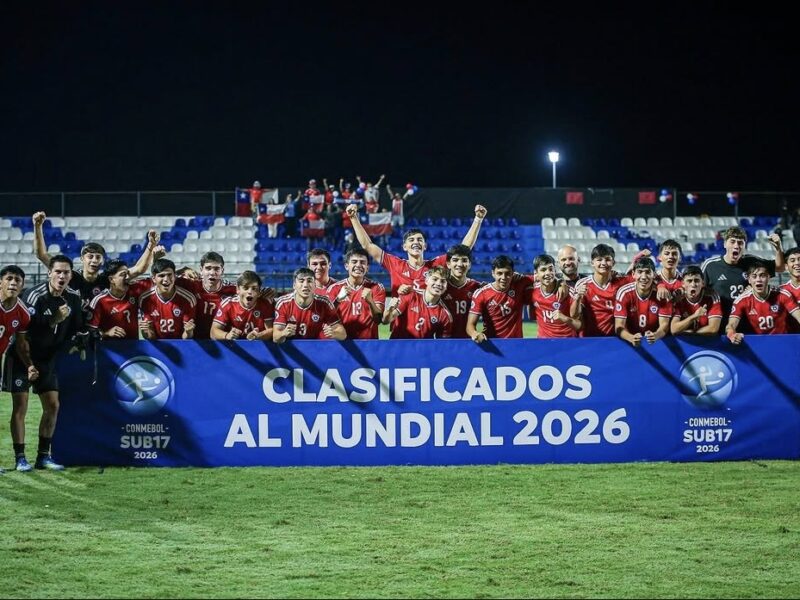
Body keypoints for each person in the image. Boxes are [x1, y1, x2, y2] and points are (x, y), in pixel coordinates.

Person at [4, 255, 84, 471]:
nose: (62, 276)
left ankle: (43, 457)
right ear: (49, 272)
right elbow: (24, 333)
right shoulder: (34, 296)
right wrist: (53, 320)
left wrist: (82, 339)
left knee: (52, 405)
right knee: (20, 407)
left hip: (48, 359)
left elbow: (78, 327)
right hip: (22, 357)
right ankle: (20, 458)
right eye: (57, 271)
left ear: (70, 275)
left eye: (66, 272)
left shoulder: (74, 298)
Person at [347, 203, 487, 296]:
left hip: (427, 331)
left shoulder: (435, 265)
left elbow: (463, 249)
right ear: (404, 247)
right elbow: (368, 245)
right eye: (411, 240)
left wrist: (478, 220)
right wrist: (354, 219)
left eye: (420, 240)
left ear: (425, 246)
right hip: (400, 331)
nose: (416, 242)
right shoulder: (395, 264)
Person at [32, 211, 159, 309]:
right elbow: (41, 254)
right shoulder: (70, 275)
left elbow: (139, 269)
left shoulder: (108, 279)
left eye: (98, 257)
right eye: (90, 256)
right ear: (82, 259)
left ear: (103, 261)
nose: (94, 260)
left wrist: (150, 246)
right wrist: (38, 226)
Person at [701, 226, 785, 329]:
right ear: (724, 244)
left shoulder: (751, 261)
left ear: (745, 246)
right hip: (720, 322)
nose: (736, 246)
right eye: (732, 242)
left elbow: (780, 267)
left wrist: (778, 248)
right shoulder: (710, 265)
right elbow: (699, 292)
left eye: (740, 243)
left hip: (749, 322)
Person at [0, 266, 37, 473]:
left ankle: (20, 458)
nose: (13, 283)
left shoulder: (22, 313)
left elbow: (21, 344)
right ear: (1, 282)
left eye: (17, 280)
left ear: (22, 285)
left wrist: (30, 365)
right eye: (9, 279)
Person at [726, 261, 800, 343]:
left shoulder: (782, 294)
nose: (758, 280)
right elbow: (731, 325)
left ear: (768, 277)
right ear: (749, 280)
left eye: (762, 276)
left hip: (783, 342)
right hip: (759, 345)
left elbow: (798, 315)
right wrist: (732, 334)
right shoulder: (741, 300)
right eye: (754, 276)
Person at [466, 255, 534, 342]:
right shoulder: (481, 294)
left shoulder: (519, 283)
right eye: (499, 273)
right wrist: (475, 334)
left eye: (507, 273)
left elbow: (540, 278)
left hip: (516, 344)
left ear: (513, 273)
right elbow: (470, 326)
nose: (503, 278)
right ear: (493, 273)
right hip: (493, 344)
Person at [570, 243, 632, 337]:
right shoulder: (583, 284)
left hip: (615, 340)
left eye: (607, 260)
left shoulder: (621, 283)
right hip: (589, 340)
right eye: (599, 260)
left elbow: (642, 277)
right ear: (592, 263)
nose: (603, 263)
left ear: (613, 262)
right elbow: (574, 316)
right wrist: (578, 297)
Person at [327, 247, 386, 339]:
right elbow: (325, 318)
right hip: (343, 344)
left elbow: (378, 320)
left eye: (362, 262)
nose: (358, 265)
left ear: (367, 267)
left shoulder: (377, 287)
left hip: (369, 344)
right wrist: (338, 300)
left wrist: (371, 302)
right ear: (347, 266)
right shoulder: (334, 289)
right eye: (354, 262)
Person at [273, 268, 346, 342]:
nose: (305, 285)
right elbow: (275, 337)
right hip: (291, 349)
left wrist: (334, 333)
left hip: (316, 348)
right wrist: (283, 333)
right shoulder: (283, 303)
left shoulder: (324, 303)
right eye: (301, 281)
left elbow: (343, 334)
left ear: (315, 285)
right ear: (294, 285)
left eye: (309, 281)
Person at [175, 252, 237, 340]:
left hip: (221, 340)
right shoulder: (192, 283)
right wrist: (183, 270)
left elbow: (255, 291)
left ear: (222, 271)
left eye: (217, 269)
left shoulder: (232, 289)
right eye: (208, 268)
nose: (212, 273)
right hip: (194, 339)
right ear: (201, 270)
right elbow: (166, 278)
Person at [613, 256, 672, 347]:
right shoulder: (624, 293)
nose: (644, 277)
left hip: (656, 344)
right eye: (640, 272)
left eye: (648, 272)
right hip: (628, 344)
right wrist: (631, 337)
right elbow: (619, 326)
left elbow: (664, 326)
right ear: (633, 274)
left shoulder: (662, 294)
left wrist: (656, 335)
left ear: (654, 275)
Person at [87, 259, 153, 339]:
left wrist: (154, 260)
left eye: (128, 273)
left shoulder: (134, 290)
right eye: (123, 274)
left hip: (133, 347)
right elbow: (90, 332)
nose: (128, 277)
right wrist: (106, 333)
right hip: (110, 348)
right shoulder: (100, 301)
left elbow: (157, 281)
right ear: (111, 279)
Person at [383, 266, 453, 339]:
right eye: (435, 279)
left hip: (421, 350)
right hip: (398, 347)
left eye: (443, 281)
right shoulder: (411, 296)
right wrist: (389, 309)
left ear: (446, 286)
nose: (438, 284)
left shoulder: (445, 315)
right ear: (426, 281)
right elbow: (386, 321)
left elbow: (442, 345)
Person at [138, 258, 197, 340]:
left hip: (181, 344)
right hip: (158, 345)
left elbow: (186, 337)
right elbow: (150, 335)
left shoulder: (188, 299)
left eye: (169, 275)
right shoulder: (145, 299)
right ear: (154, 279)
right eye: (161, 276)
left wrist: (188, 332)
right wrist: (146, 332)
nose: (166, 279)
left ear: (175, 276)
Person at [211, 271, 274, 341]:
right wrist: (227, 335)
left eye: (254, 288)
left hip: (258, 347)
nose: (249, 292)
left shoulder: (265, 303)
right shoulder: (228, 304)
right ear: (238, 290)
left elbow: (271, 330)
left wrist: (258, 336)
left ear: (259, 292)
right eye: (246, 288)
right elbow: (213, 332)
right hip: (235, 348)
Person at [530, 254, 580, 338]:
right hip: (544, 343)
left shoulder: (568, 292)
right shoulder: (532, 290)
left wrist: (565, 319)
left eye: (551, 269)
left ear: (555, 270)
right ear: (536, 273)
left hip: (567, 343)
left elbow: (579, 325)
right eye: (543, 270)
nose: (548, 273)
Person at [440, 244, 483, 338]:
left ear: (470, 264)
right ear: (448, 264)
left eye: (464, 260)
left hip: (469, 342)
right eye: (455, 260)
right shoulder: (439, 287)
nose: (459, 264)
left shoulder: (477, 287)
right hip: (443, 343)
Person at [670, 265, 723, 336]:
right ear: (683, 283)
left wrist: (688, 333)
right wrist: (694, 316)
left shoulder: (712, 297)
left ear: (703, 283)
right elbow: (674, 329)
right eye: (689, 281)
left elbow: (713, 329)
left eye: (697, 280)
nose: (693, 284)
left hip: (706, 344)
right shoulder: (679, 298)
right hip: (685, 344)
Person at [779, 247, 800, 333]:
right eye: (792, 260)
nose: (797, 263)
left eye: (799, 259)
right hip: (789, 339)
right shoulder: (780, 290)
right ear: (786, 267)